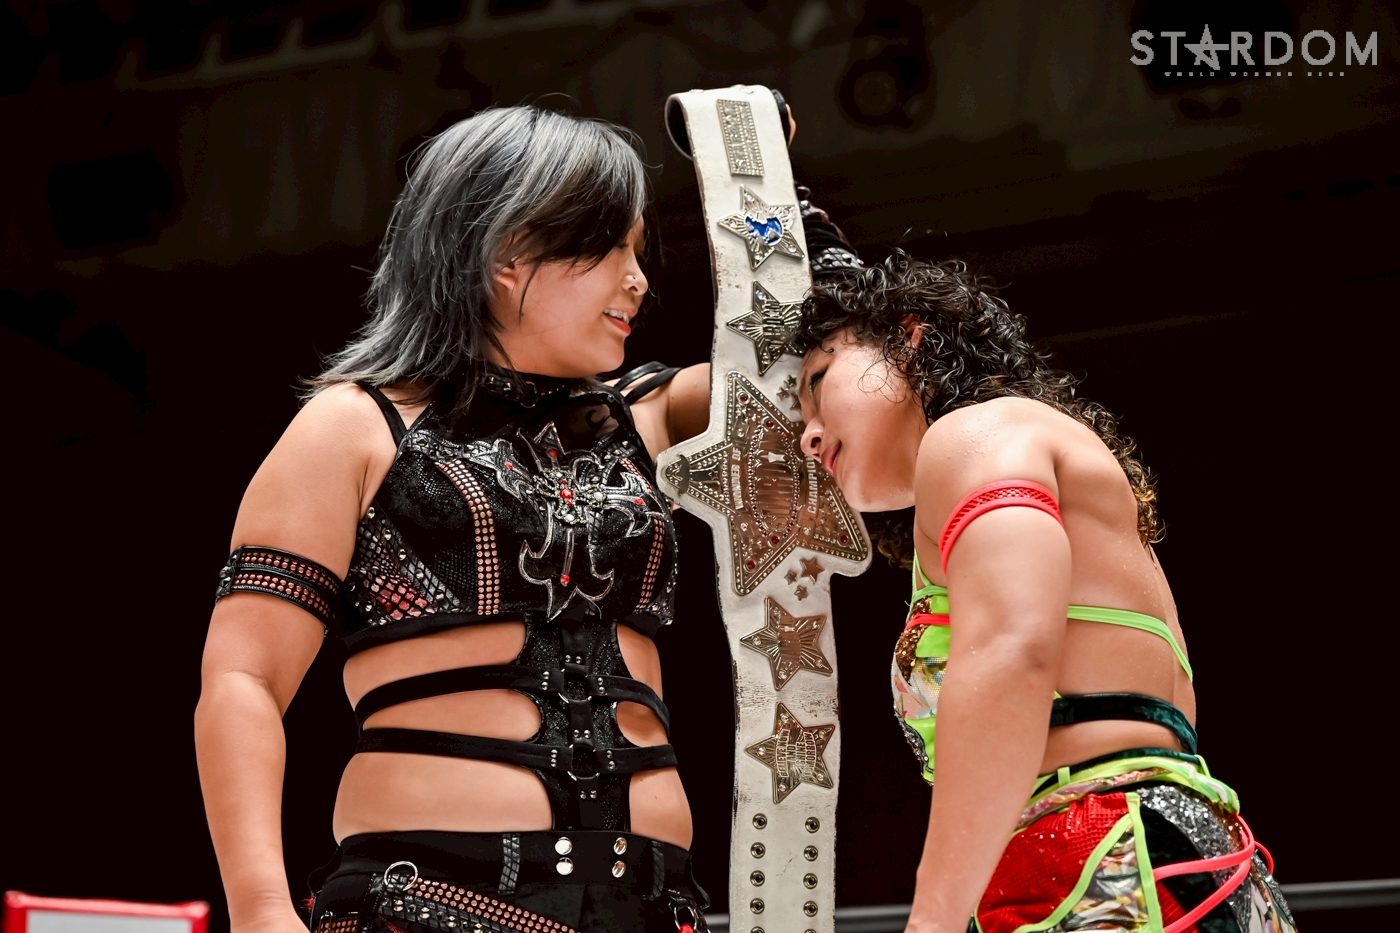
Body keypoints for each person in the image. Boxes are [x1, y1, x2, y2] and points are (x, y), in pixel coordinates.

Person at [195, 105, 719, 933]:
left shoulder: (646, 417)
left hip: (652, 908)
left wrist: (769, 192)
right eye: (613, 248)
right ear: (511, 254)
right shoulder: (354, 426)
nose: (639, 280)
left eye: (638, 251)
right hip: (430, 905)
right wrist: (261, 909)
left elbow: (808, 372)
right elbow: (243, 679)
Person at [792, 252, 1295, 933]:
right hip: (1153, 857)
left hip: (1106, 856)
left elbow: (1012, 650)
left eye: (819, 382)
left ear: (908, 339)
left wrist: (932, 920)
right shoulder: (1008, 455)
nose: (808, 434)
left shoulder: (976, 433)